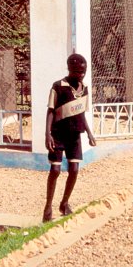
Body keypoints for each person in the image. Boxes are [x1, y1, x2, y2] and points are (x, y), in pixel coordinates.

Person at [42, 53, 96, 222]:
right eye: (77, 71)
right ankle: (48, 206)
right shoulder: (58, 86)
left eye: (83, 71)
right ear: (70, 69)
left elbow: (82, 114)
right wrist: (47, 133)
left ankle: (64, 203)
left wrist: (89, 133)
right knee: (55, 170)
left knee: (74, 170)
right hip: (58, 135)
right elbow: (50, 110)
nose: (80, 74)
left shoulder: (85, 88)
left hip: (75, 135)